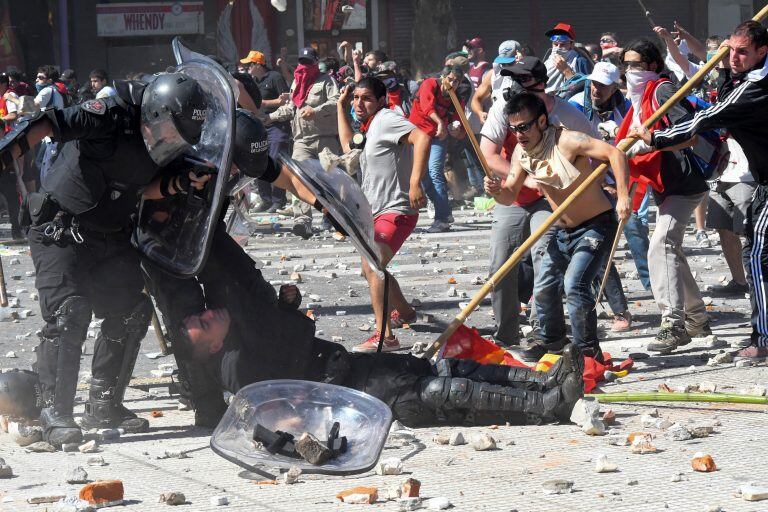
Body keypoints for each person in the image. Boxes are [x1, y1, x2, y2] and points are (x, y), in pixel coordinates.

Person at [155, 225, 585, 428]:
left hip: (354, 369)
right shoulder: (236, 363)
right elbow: (277, 412)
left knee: (440, 371)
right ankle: (549, 406)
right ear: (211, 348)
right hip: (348, 395)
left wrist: (286, 305)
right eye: (200, 324)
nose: (205, 314)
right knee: (435, 394)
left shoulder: (242, 335)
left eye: (199, 314)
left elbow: (278, 332)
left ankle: (542, 380)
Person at [0, 71, 211, 447]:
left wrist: (182, 183)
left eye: (179, 137)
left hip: (109, 236)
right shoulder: (110, 115)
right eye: (168, 131)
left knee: (131, 309)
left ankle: (103, 403)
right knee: (70, 312)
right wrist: (8, 153)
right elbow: (47, 122)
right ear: (154, 112)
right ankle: (53, 411)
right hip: (59, 229)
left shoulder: (170, 147)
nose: (170, 141)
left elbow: (141, 185)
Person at [629, 21, 768, 357]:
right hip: (758, 179)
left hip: (742, 180)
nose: (732, 57)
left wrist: (656, 138)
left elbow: (705, 119)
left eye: (741, 52)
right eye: (730, 49)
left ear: (762, 53)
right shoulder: (748, 75)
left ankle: (763, 340)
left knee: (757, 256)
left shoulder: (754, 87)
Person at [484, 92, 631, 362]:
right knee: (544, 286)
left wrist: (622, 196)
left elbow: (616, 153)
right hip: (562, 230)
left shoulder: (568, 141)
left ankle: (588, 353)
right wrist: (495, 190)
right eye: (514, 129)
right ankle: (551, 342)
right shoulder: (521, 152)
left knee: (575, 285)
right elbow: (508, 195)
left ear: (541, 121)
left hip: (596, 225)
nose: (519, 134)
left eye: (525, 127)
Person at [479, 57, 599, 354]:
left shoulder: (565, 113)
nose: (513, 86)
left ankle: (540, 331)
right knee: (501, 261)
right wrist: (524, 180)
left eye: (521, 81)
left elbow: (597, 151)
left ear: (540, 85)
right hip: (514, 195)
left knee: (544, 259)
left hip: (551, 200)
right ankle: (505, 333)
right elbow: (488, 155)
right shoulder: (502, 108)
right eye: (511, 80)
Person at [616, 38, 710, 355]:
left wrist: (653, 142)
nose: (630, 71)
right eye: (626, 65)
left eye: (636, 64)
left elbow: (690, 135)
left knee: (661, 246)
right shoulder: (639, 96)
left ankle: (673, 325)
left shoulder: (662, 91)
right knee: (671, 252)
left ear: (653, 65)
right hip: (667, 185)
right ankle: (697, 318)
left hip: (685, 182)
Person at [335, 77, 429, 353]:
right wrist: (341, 107)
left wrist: (414, 183)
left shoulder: (387, 119)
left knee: (373, 265)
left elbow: (422, 137)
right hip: (374, 211)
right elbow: (347, 149)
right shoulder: (368, 127)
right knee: (372, 267)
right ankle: (406, 313)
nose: (359, 104)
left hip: (396, 208)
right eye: (355, 98)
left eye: (365, 98)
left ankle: (385, 335)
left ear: (379, 101)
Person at [267, 46, 341, 239]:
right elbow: (291, 108)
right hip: (301, 142)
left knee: (331, 181)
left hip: (324, 140)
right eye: (302, 62)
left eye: (308, 62)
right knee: (297, 179)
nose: (304, 65)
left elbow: (337, 102)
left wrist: (316, 110)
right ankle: (302, 221)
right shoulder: (297, 83)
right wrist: (270, 118)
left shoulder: (327, 81)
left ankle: (336, 218)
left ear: (316, 63)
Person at [408, 66, 465, 233]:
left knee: (435, 172)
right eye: (451, 79)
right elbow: (428, 107)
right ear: (443, 77)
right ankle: (445, 212)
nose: (452, 84)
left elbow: (460, 128)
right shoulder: (430, 84)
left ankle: (441, 219)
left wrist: (456, 130)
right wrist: (440, 122)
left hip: (437, 138)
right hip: (418, 135)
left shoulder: (457, 99)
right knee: (423, 175)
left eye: (456, 81)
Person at [242, 49, 290, 214]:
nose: (247, 68)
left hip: (276, 125)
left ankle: (278, 200)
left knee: (275, 161)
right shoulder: (252, 81)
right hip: (259, 127)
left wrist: (264, 104)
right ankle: (265, 199)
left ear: (257, 64)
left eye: (249, 65)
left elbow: (286, 101)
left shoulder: (275, 77)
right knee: (259, 161)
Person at [707, 137, 753, 296]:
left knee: (752, 232)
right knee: (723, 228)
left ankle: (758, 280)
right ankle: (740, 281)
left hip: (747, 175)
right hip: (719, 176)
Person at [471, 40, 522, 123]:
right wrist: (480, 113)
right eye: (503, 63)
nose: (505, 66)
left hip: (522, 125)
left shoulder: (530, 75)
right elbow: (476, 99)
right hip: (498, 124)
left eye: (509, 63)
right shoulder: (493, 75)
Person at [0, 73, 22, 240]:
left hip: (10, 146)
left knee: (12, 194)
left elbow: (14, 115)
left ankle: (17, 227)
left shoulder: (10, 96)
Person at [544, 23, 592, 95]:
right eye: (555, 44)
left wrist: (566, 70)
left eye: (562, 44)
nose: (558, 48)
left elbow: (586, 88)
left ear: (571, 45)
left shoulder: (580, 61)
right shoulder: (547, 62)